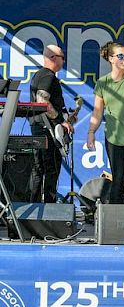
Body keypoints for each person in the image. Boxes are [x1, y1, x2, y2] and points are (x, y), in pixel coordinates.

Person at [86, 42, 124, 204]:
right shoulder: (103, 83)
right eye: (120, 56)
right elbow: (97, 111)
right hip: (114, 136)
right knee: (118, 177)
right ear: (111, 59)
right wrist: (91, 133)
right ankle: (116, 221)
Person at [30, 45, 74, 203]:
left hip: (40, 127)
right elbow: (42, 101)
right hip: (47, 130)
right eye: (62, 57)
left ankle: (33, 207)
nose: (64, 60)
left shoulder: (39, 75)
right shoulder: (48, 76)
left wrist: (66, 118)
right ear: (53, 58)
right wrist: (61, 121)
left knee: (39, 168)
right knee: (51, 169)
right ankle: (48, 209)